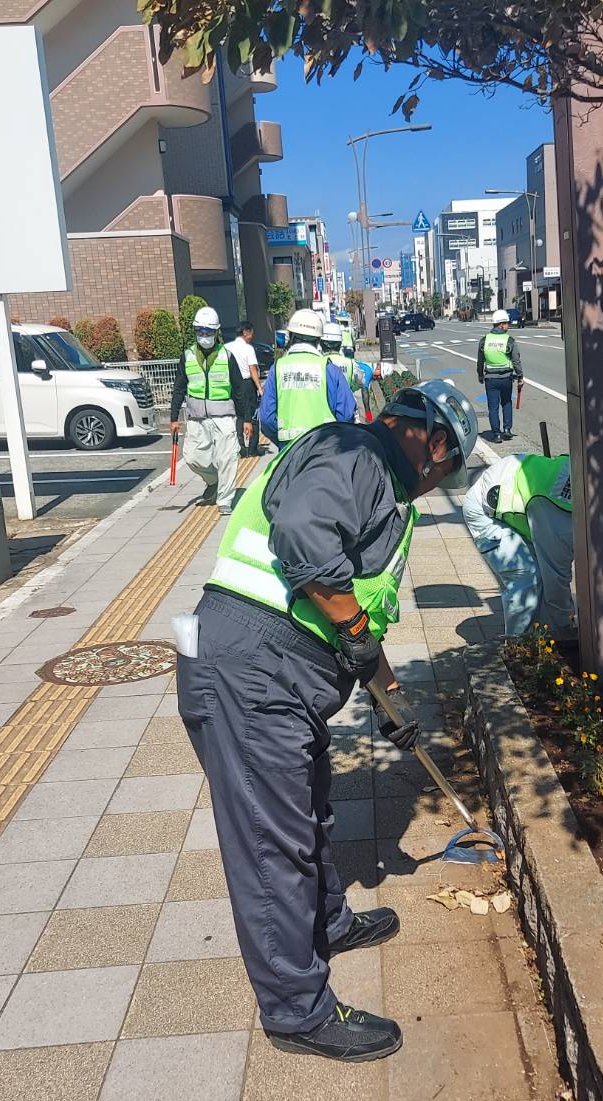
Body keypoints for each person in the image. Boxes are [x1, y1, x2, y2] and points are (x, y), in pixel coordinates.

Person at [177, 380, 479, 1062]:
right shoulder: (356, 454)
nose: (435, 488)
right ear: (434, 444)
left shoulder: (375, 481)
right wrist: (354, 631)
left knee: (308, 811)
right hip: (251, 666)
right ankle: (297, 1012)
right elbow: (304, 537)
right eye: (446, 473)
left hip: (278, 671)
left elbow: (357, 618)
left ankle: (328, 922)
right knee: (271, 845)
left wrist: (390, 699)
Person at [462, 451, 575, 639]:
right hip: (483, 510)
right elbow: (556, 579)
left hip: (515, 488)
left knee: (543, 578)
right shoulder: (560, 516)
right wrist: (568, 629)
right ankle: (517, 647)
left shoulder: (581, 472)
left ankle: (543, 637)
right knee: (526, 576)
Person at [170, 305, 245, 512]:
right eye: (200, 331)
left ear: (216, 332)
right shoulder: (187, 356)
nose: (204, 336)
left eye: (209, 331)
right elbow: (179, 388)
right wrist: (174, 417)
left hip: (224, 417)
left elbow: (239, 389)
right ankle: (214, 481)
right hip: (196, 418)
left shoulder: (227, 356)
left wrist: (245, 419)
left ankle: (225, 500)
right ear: (195, 331)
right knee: (192, 457)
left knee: (227, 458)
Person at [259, 309, 356, 445]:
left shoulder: (277, 368)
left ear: (290, 336)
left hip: (290, 450)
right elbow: (346, 415)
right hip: (325, 448)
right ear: (318, 340)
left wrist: (282, 442)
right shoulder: (329, 369)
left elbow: (266, 419)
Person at [476, 308, 524, 443]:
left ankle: (496, 434)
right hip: (506, 378)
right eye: (507, 323)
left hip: (490, 379)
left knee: (493, 407)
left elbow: (480, 361)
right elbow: (516, 361)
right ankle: (507, 429)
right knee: (506, 403)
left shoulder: (484, 340)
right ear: (501, 324)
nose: (508, 325)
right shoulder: (509, 340)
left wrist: (480, 375)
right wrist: (520, 376)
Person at [227, 320, 265, 457]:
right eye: (251, 334)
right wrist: (259, 387)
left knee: (239, 416)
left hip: (233, 385)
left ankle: (241, 448)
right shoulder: (248, 348)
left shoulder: (226, 348)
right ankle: (253, 449)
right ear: (245, 332)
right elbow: (252, 369)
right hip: (247, 384)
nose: (252, 337)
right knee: (252, 415)